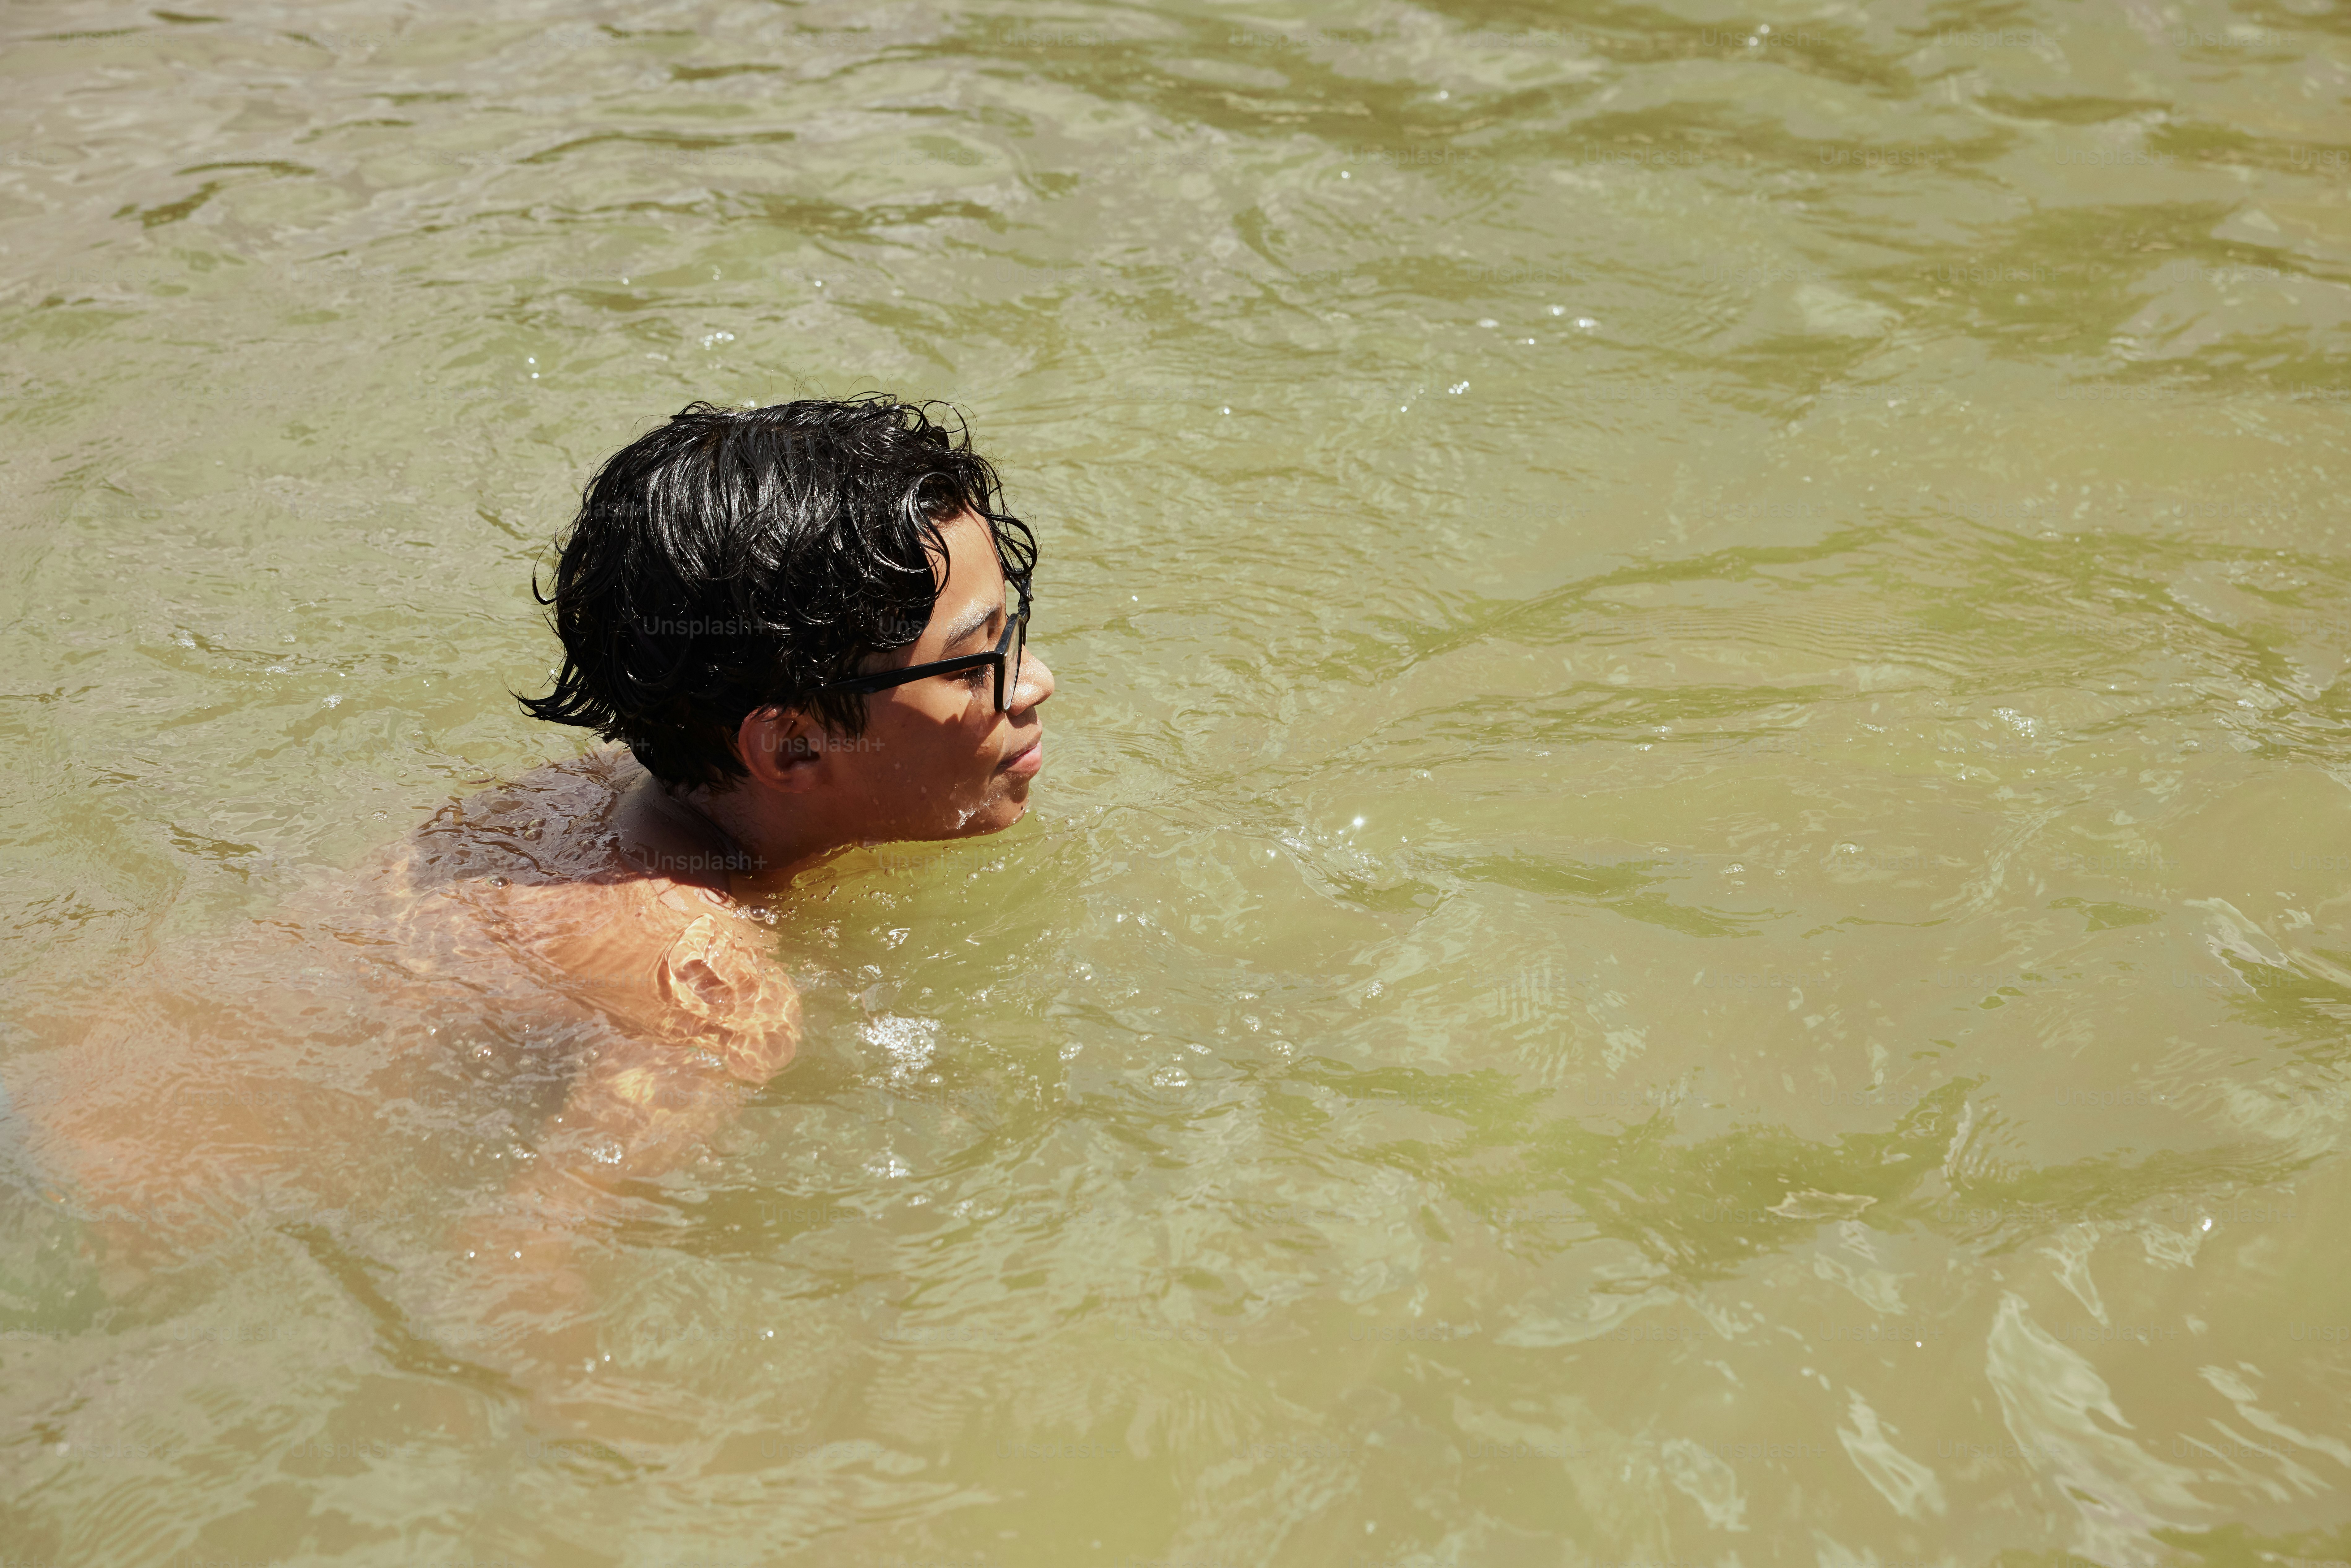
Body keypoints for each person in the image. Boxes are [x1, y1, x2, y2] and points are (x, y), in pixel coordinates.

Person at [8, 395, 1053, 1387]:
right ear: (788, 741)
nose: (1034, 677)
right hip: (91, 1250)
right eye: (976, 661)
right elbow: (506, 1267)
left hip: (55, 1095)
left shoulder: (579, 796)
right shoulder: (709, 986)